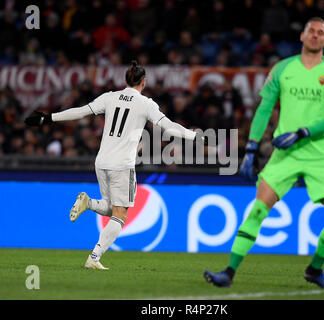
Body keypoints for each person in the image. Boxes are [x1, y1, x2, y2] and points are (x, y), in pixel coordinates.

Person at [204, 17, 324, 290]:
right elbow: (263, 109)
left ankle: (314, 269)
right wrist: (250, 149)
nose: (316, 36)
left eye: (321, 33)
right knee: (258, 209)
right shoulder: (282, 69)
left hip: (321, 153)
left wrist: (303, 131)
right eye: (312, 31)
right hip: (285, 155)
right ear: (302, 36)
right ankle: (228, 273)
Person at [25, 61, 206, 270]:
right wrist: (194, 136)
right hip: (122, 165)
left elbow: (80, 111)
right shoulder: (146, 104)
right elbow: (169, 127)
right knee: (120, 215)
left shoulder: (109, 97)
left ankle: (89, 203)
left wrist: (47, 118)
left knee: (111, 208)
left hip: (101, 162)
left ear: (126, 80)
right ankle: (94, 258)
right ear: (144, 82)